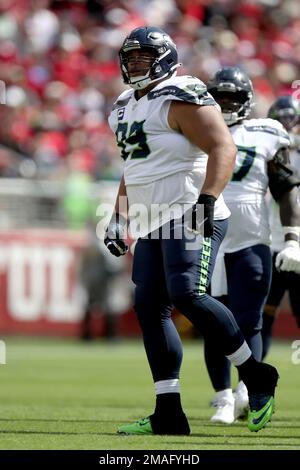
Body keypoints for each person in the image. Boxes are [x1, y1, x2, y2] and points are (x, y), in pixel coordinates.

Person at [104, 26, 279, 435]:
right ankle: (168, 411)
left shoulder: (180, 93)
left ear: (164, 58)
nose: (135, 65)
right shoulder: (125, 105)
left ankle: (256, 375)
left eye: (144, 58)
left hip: (188, 210)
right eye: (130, 59)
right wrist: (119, 216)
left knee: (188, 293)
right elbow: (135, 169)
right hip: (152, 219)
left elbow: (223, 146)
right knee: (149, 308)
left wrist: (209, 198)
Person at [203, 69, 300, 425]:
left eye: (232, 97)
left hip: (251, 240)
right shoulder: (196, 128)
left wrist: (292, 237)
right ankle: (222, 397)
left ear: (245, 101)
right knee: (214, 324)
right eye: (220, 97)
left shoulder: (266, 131)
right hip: (209, 240)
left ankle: (247, 389)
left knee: (250, 321)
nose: (226, 103)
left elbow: (285, 186)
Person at [262, 96, 300, 359]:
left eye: (291, 118)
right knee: (261, 316)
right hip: (270, 242)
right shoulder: (265, 150)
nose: (287, 124)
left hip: (295, 243)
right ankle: (249, 382)